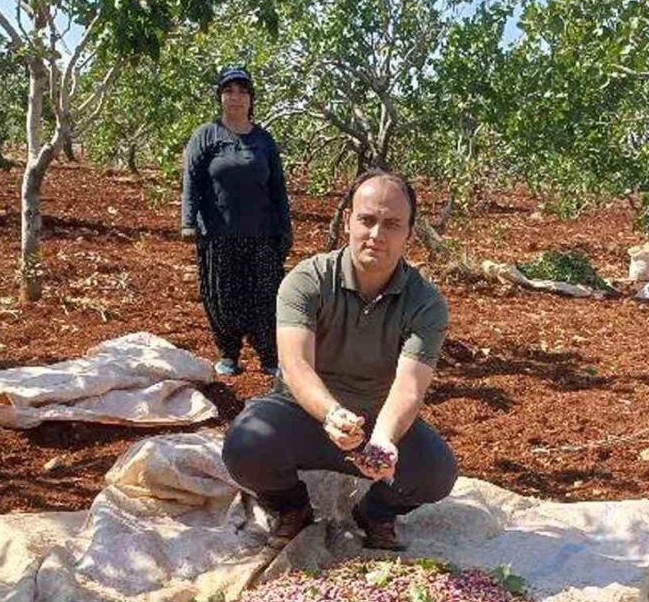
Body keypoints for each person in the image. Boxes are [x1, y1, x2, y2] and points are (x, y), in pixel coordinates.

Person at [221, 170, 457, 551]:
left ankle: (376, 512)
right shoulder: (308, 280)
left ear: (409, 235)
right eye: (367, 220)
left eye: (392, 224)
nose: (377, 234)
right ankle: (291, 507)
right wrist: (331, 414)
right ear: (348, 221)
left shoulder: (425, 303)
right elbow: (296, 365)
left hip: (377, 418)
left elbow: (409, 385)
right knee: (245, 446)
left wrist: (383, 438)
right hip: (304, 412)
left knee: (436, 473)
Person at [181, 65, 293, 377]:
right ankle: (229, 354)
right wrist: (188, 222)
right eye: (229, 90)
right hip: (218, 234)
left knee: (265, 295)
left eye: (243, 91)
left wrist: (285, 228)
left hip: (261, 234)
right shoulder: (205, 136)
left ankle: (269, 357)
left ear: (251, 98)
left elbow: (278, 188)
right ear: (220, 96)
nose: (236, 97)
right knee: (222, 295)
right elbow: (191, 181)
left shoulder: (264, 140)